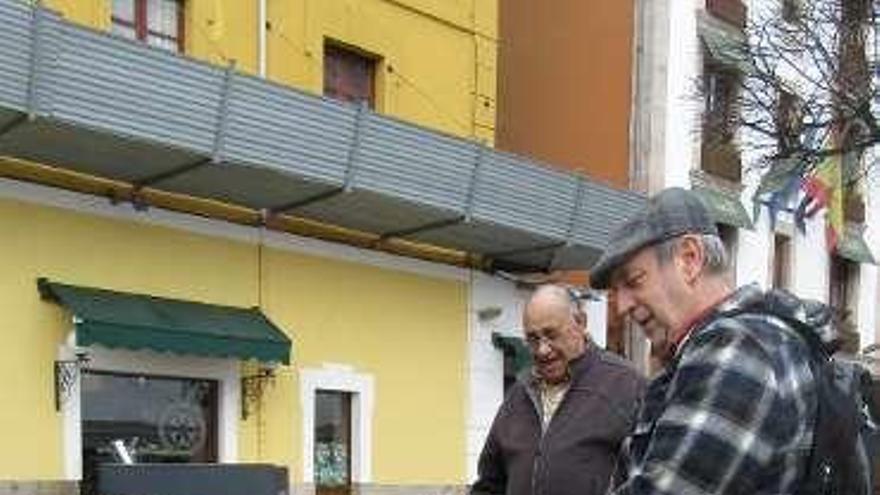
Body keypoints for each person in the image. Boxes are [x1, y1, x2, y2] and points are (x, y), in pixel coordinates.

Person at [590, 187, 821, 494]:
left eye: (633, 281)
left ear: (690, 258)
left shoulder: (737, 352)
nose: (622, 306)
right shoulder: (761, 338)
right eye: (616, 292)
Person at [471, 284, 644, 495]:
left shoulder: (626, 384)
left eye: (551, 334)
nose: (543, 350)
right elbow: (490, 484)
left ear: (581, 322)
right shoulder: (519, 393)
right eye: (533, 339)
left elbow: (653, 477)